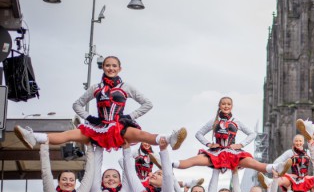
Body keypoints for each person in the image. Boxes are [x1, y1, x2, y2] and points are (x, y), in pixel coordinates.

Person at [15, 56, 186, 151]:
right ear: (103, 67)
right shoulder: (96, 87)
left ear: (120, 68)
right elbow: (77, 104)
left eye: (114, 66)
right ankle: (33, 137)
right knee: (68, 135)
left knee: (143, 136)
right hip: (98, 127)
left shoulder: (126, 87)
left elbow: (147, 103)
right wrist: (90, 117)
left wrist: (129, 116)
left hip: (119, 126)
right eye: (107, 65)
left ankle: (170, 139)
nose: (111, 68)